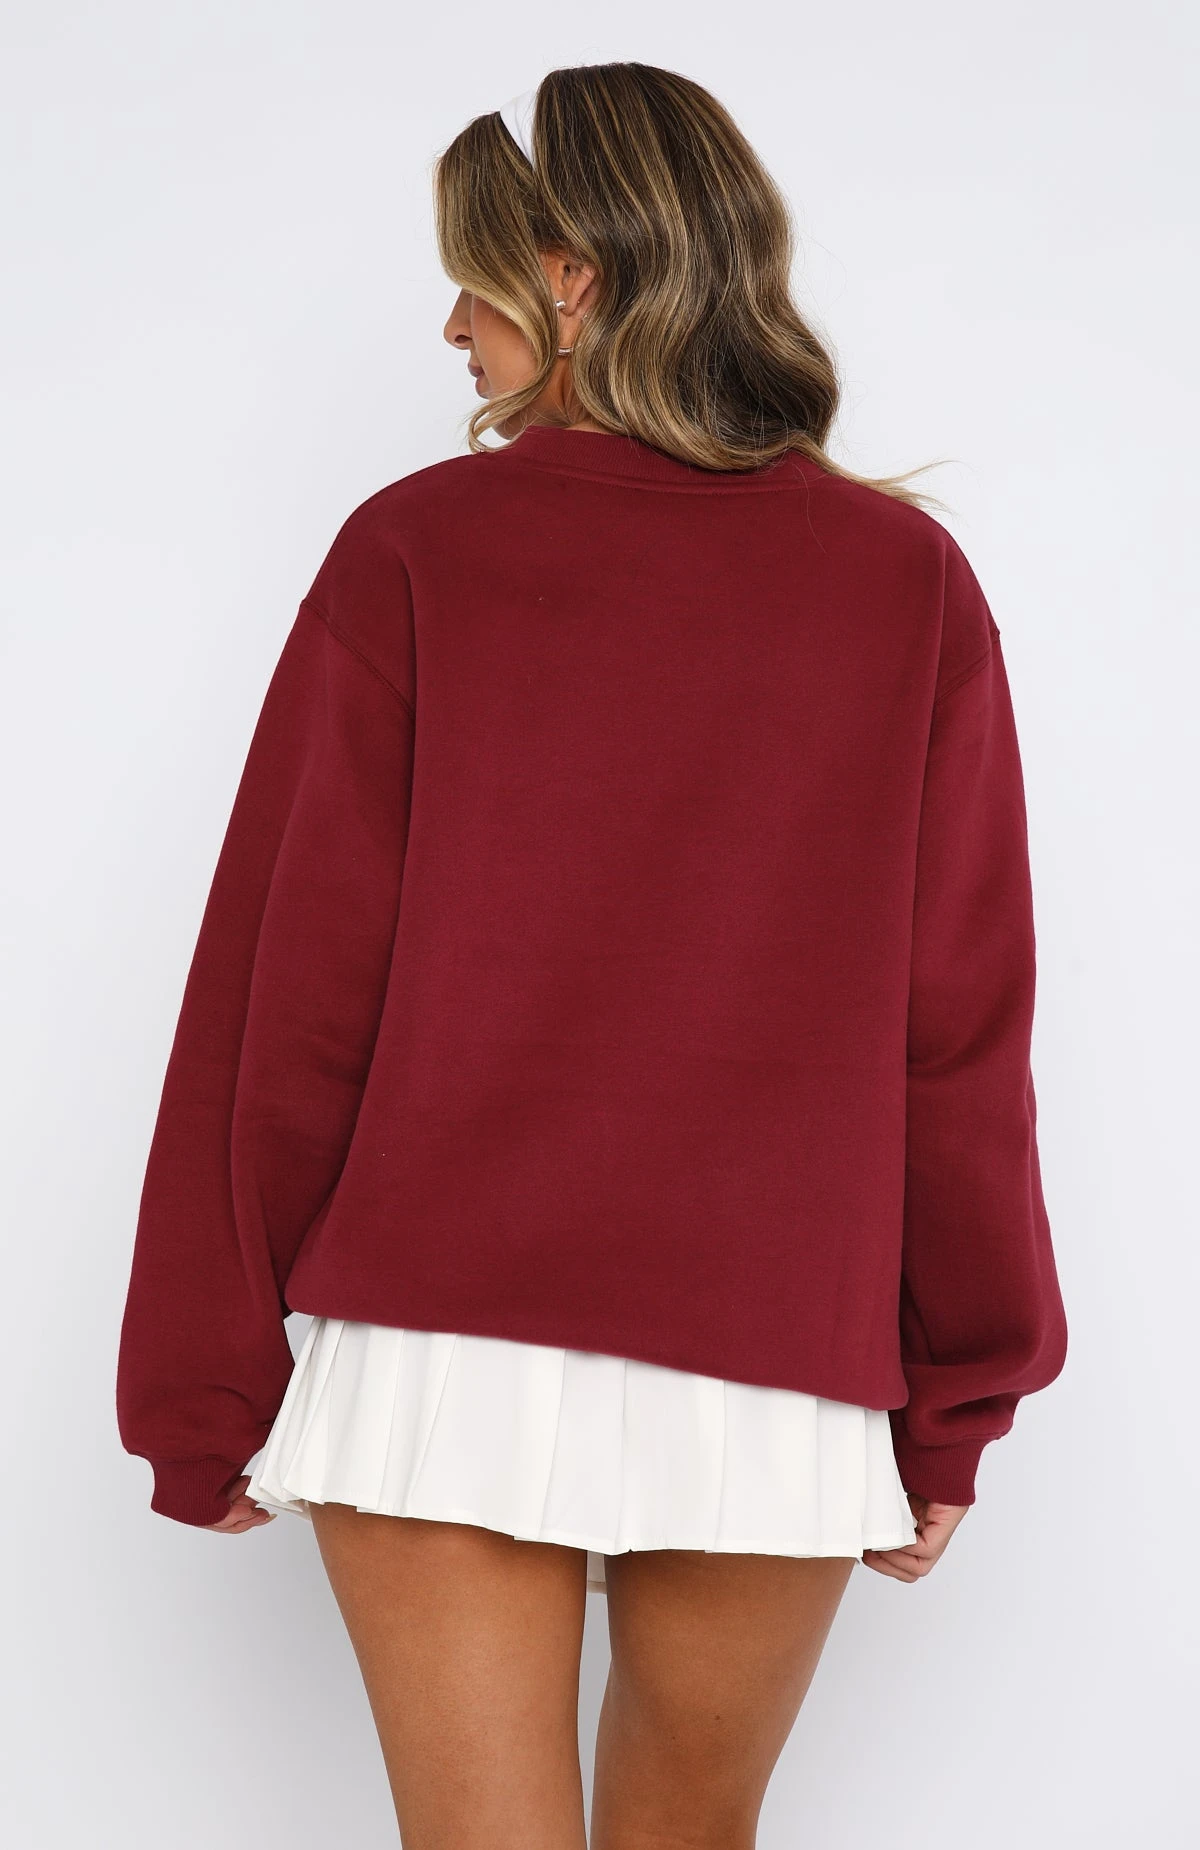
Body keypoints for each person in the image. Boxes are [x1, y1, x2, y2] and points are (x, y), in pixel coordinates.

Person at [115, 60, 1068, 1848]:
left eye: (474, 281)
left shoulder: (417, 551)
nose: (450, 328)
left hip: (444, 1342)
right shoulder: (905, 585)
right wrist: (959, 1383)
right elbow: (959, 1038)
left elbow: (282, 1005)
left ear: (571, 282)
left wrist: (199, 1379)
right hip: (776, 1353)